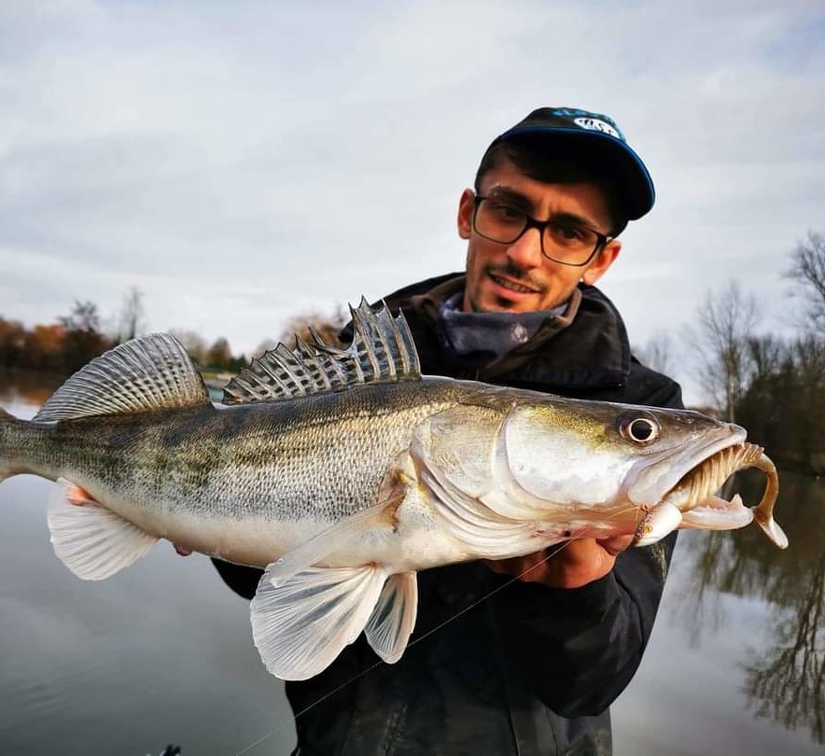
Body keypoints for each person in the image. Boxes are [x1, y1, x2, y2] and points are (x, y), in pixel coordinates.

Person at [212, 106, 684, 755]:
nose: (524, 252)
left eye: (570, 232)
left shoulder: (642, 411)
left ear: (602, 259)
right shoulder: (353, 360)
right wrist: (195, 517)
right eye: (509, 210)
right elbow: (259, 576)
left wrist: (575, 592)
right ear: (469, 212)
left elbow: (592, 683)